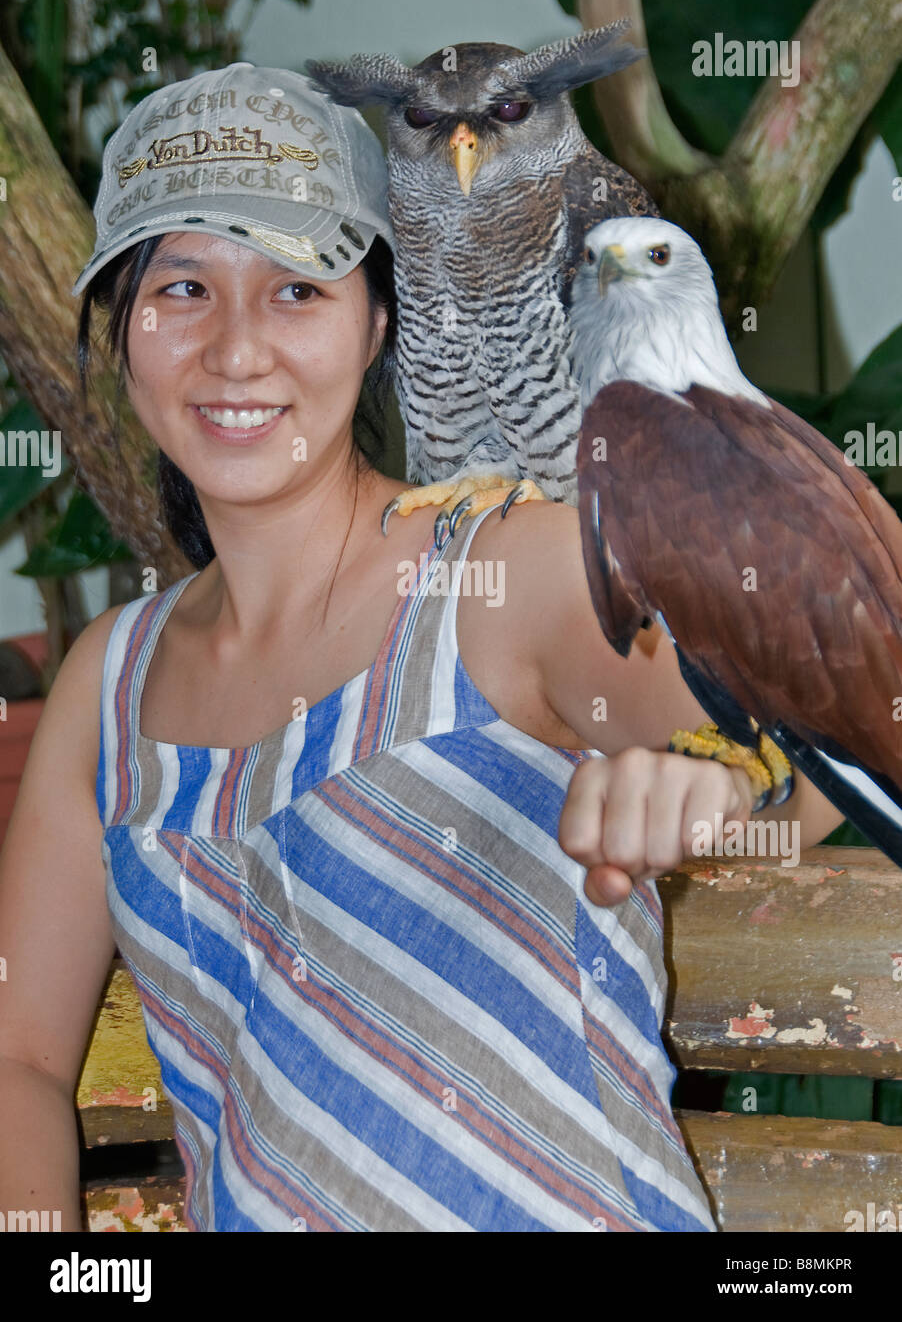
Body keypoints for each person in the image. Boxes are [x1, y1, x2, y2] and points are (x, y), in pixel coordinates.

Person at [0, 63, 843, 1233]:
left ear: (380, 322)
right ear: (120, 326)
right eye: (183, 285)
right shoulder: (111, 677)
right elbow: (25, 1059)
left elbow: (813, 760)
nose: (236, 350)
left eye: (297, 289)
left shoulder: (515, 571)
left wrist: (714, 779)